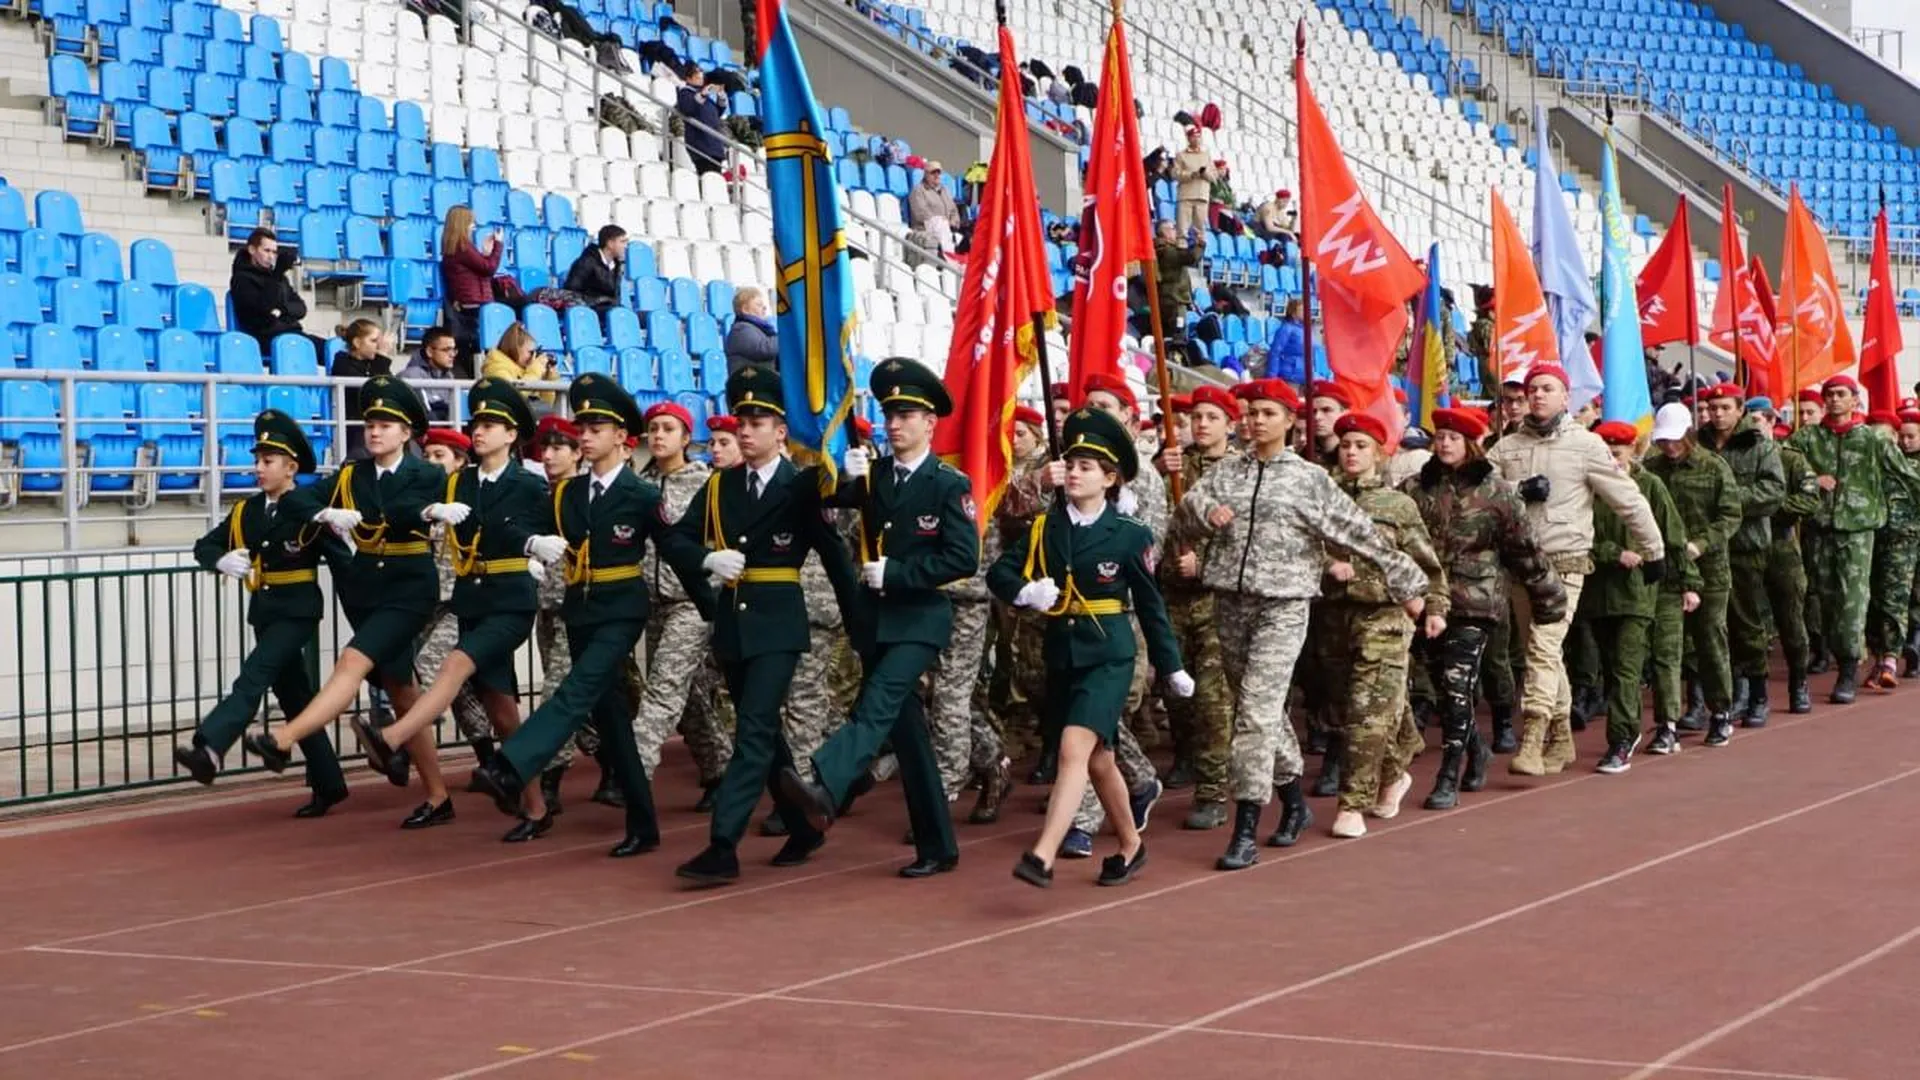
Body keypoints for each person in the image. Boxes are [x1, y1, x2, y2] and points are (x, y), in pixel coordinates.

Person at [1177, 379, 1429, 870]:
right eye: (1251, 413)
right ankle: (1293, 800)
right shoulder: (1227, 472)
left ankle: (1247, 823)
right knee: (1260, 713)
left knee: (1253, 714)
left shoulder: (1309, 479)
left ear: (1290, 421)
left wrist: (1407, 580)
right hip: (1229, 602)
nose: (1255, 421)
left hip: (1284, 606)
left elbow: (1356, 532)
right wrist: (1206, 513)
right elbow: (1183, 518)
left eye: (1268, 413)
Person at [468, 374, 714, 857]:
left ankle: (508, 767)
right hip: (579, 612)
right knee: (614, 722)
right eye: (583, 425)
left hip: (620, 612)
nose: (585, 434)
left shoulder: (642, 496)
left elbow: (676, 549)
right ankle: (644, 826)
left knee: (573, 691)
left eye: (597, 426)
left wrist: (711, 597)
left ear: (623, 437)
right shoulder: (565, 494)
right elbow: (509, 526)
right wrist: (529, 541)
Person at [777, 358, 977, 879]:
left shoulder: (947, 483)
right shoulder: (876, 473)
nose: (895, 423)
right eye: (889, 413)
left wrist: (902, 572)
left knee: (877, 704)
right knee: (909, 740)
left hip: (919, 621)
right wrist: (844, 476)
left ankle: (825, 782)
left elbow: (963, 558)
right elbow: (825, 502)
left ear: (930, 422)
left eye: (907, 414)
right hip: (877, 622)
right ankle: (938, 845)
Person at [671, 366, 858, 887]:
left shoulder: (802, 486)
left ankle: (722, 843)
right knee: (766, 735)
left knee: (751, 730)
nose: (746, 430)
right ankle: (804, 827)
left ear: (782, 431)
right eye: (743, 420)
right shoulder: (717, 488)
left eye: (760, 421)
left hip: (778, 623)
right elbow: (678, 540)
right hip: (734, 621)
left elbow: (837, 555)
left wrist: (861, 625)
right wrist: (707, 563)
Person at [993, 407, 1189, 888]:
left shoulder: (1129, 536)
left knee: (1072, 748)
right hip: (1062, 652)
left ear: (1111, 478)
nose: (1075, 473)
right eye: (1072, 464)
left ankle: (1042, 853)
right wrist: (1024, 591)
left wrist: (1171, 666)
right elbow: (1000, 571)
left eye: (1087, 466)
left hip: (1108, 654)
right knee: (1099, 758)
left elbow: (1150, 606)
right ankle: (1131, 844)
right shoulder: (1047, 527)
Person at [246, 377, 448, 827]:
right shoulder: (351, 475)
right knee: (402, 692)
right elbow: (296, 500)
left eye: (386, 424)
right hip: (371, 590)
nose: (374, 431)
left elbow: (404, 512)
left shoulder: (427, 473)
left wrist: (375, 514)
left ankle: (283, 737)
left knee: (351, 662)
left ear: (407, 433)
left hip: (410, 587)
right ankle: (438, 795)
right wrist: (322, 512)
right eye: (370, 423)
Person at [359, 380, 553, 840]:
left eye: (489, 425)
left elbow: (546, 528)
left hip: (509, 599)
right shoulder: (459, 481)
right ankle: (537, 808)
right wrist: (431, 512)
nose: (478, 432)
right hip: (473, 596)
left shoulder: (528, 483)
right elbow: (404, 510)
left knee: (454, 663)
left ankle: (392, 737)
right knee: (502, 709)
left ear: (511, 435)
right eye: (476, 424)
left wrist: (536, 551)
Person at [1484, 364, 1664, 775]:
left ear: (1566, 397)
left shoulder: (1587, 445)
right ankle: (1562, 736)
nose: (1538, 395)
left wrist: (1654, 551)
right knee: (1540, 652)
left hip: (1565, 563)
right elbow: (1478, 495)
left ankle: (1533, 735)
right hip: (1520, 564)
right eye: (1532, 389)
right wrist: (1518, 491)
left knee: (1544, 649)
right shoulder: (1505, 447)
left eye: (1547, 388)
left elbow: (1627, 498)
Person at [172, 411, 351, 816]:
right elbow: (205, 545)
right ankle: (329, 782)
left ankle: (211, 747)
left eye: (268, 461)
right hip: (266, 612)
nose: (258, 468)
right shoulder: (246, 512)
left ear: (291, 467)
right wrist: (220, 561)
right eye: (257, 460)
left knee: (253, 677)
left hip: (298, 611)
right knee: (294, 697)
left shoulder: (306, 507)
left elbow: (344, 561)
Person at [1403, 406, 1563, 807]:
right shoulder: (1415, 488)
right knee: (1443, 687)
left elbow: (1524, 549)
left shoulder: (1497, 493)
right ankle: (1477, 749)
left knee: (1459, 686)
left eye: (1453, 438)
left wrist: (1548, 598)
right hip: (1427, 601)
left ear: (1471, 444)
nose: (1443, 444)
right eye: (1440, 436)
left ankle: (1447, 775)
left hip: (1475, 601)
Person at [1788, 375, 1920, 703]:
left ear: (1854, 400)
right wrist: (1811, 478)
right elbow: (1782, 464)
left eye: (1840, 394)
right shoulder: (1807, 439)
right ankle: (1843, 654)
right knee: (1827, 602)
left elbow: (1907, 475)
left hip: (1858, 531)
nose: (1834, 400)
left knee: (1853, 601)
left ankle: (1848, 669)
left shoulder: (1873, 440)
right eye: (1829, 395)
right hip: (1820, 530)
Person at [631, 401, 732, 801]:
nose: (658, 436)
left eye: (668, 429)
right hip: (654, 604)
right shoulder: (640, 483)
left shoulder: (706, 483)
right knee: (688, 696)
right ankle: (718, 767)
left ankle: (634, 771)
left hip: (693, 601)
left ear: (686, 438)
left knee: (663, 688)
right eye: (653, 429)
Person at [1157, 384, 1238, 830]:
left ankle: (1212, 789)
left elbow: (1247, 535)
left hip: (1216, 599)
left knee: (1212, 698)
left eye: (1211, 417)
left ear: (1230, 423)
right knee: (1175, 688)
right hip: (1171, 593)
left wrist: (1203, 563)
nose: (1201, 425)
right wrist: (1152, 467)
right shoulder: (1175, 464)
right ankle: (1186, 753)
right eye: (1195, 417)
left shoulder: (1238, 472)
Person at [1589, 420, 1688, 762]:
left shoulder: (1649, 485)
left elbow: (1673, 536)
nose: (1612, 460)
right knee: (1611, 665)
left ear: (1633, 451)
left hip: (1637, 594)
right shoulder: (1587, 486)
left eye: (1617, 453)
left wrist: (1688, 584)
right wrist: (1611, 553)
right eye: (1605, 454)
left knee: (1626, 669)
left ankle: (1621, 738)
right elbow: (1577, 536)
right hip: (1597, 593)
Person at [1693, 383, 1785, 723]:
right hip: (1707, 547)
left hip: (1745, 545)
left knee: (1747, 622)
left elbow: (1773, 492)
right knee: (1711, 627)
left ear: (1740, 409)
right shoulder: (1697, 443)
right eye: (1712, 408)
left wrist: (1728, 498)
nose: (1717, 414)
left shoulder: (1758, 446)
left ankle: (1758, 694)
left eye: (1725, 408)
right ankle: (1723, 694)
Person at [1749, 399, 1818, 716]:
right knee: (1751, 626)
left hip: (1782, 547)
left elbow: (1809, 499)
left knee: (1791, 622)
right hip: (1749, 548)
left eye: (1758, 421)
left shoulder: (1790, 459)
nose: (1754, 428)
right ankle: (1754, 693)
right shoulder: (1740, 460)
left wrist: (1769, 508)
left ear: (1771, 421)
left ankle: (1799, 683)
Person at [229, 228, 308, 352]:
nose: (271, 257)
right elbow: (262, 311)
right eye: (266, 251)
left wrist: (281, 310)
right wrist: (277, 274)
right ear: (252, 250)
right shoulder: (241, 279)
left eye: (274, 252)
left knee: (334, 349)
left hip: (290, 333)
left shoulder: (279, 278)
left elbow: (301, 309)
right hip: (262, 339)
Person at [439, 205, 503, 358]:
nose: (474, 226)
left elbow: (481, 270)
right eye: (470, 222)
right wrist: (498, 245)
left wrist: (486, 253)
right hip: (473, 303)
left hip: (471, 300)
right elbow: (489, 269)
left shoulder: (456, 246)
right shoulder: (463, 247)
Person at [332, 319, 397, 460]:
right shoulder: (342, 362)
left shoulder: (373, 364)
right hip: (353, 429)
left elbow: (390, 389)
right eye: (373, 341)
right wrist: (382, 356)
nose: (378, 346)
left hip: (375, 424)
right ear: (357, 343)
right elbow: (374, 390)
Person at [483, 323, 560, 406]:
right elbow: (514, 397)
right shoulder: (496, 368)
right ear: (515, 349)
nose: (533, 356)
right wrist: (534, 372)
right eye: (530, 352)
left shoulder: (526, 372)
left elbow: (546, 406)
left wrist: (547, 379)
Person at [399, 327, 464, 422]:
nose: (452, 354)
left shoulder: (448, 375)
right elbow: (426, 415)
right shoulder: (411, 375)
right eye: (447, 350)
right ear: (429, 352)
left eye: (454, 350)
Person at [675, 64, 729, 176]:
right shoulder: (685, 93)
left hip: (714, 144)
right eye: (697, 77)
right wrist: (703, 95)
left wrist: (721, 95)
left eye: (701, 76)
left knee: (715, 178)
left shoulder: (704, 95)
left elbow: (717, 112)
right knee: (707, 177)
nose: (701, 79)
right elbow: (688, 108)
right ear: (688, 78)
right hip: (701, 144)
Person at [561, 225, 627, 311]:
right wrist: (599, 301)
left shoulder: (617, 265)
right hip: (589, 309)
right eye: (622, 242)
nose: (625, 246)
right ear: (610, 243)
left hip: (609, 310)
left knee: (641, 316)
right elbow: (570, 292)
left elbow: (615, 297)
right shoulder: (586, 262)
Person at [907, 162, 964, 257]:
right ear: (926, 174)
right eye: (933, 173)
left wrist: (953, 222)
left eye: (938, 172)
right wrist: (941, 221)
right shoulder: (918, 191)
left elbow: (954, 210)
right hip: (927, 230)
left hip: (947, 231)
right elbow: (921, 213)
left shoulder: (944, 190)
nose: (936, 175)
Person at [1172, 126, 1215, 236]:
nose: (1197, 139)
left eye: (1199, 137)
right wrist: (1192, 175)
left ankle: (1199, 251)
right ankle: (1181, 249)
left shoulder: (1206, 156)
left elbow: (1214, 177)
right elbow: (1175, 174)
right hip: (1186, 195)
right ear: (1188, 138)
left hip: (1202, 196)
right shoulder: (1181, 155)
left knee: (1200, 230)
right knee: (1182, 228)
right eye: (1194, 137)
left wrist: (1204, 173)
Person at [724, 286, 778, 372]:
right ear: (745, 309)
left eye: (764, 305)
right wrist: (784, 336)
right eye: (759, 305)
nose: (764, 308)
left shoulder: (759, 329)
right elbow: (764, 349)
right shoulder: (740, 329)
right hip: (749, 383)